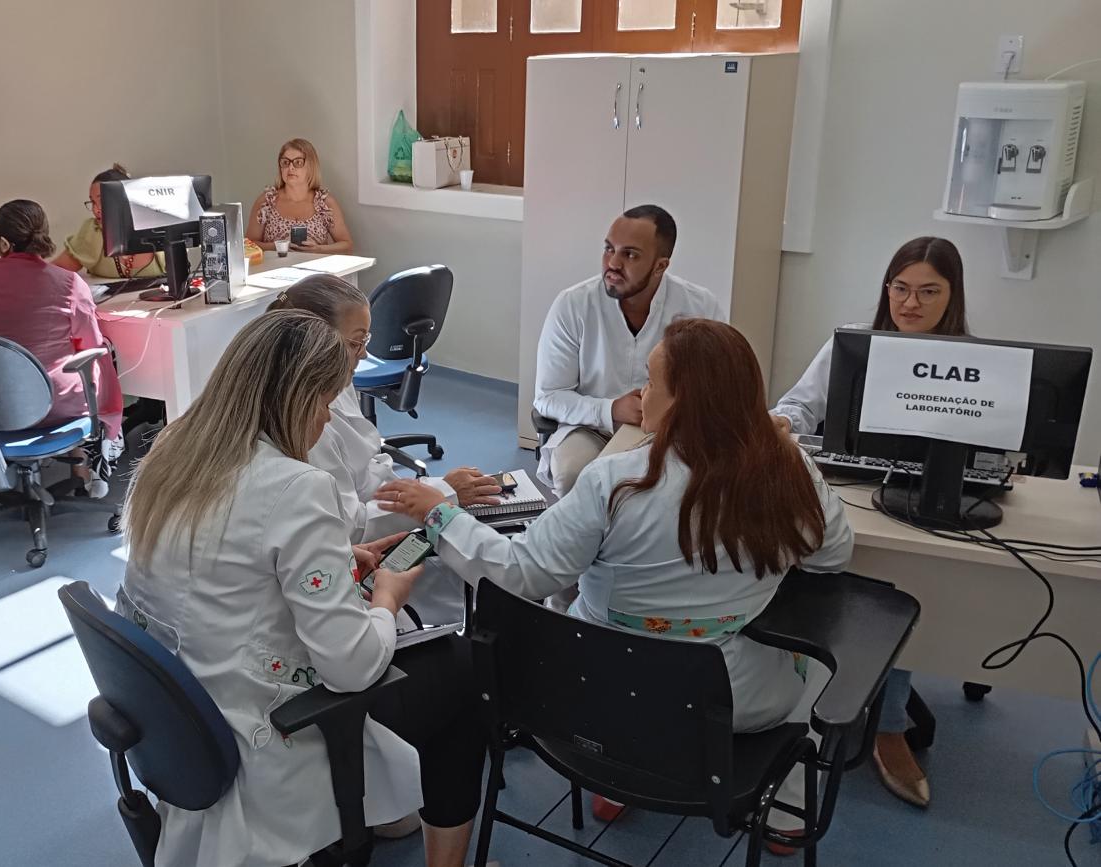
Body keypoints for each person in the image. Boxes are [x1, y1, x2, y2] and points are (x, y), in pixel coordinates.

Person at [378, 318, 853, 838]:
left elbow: (519, 573)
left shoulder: (616, 479)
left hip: (590, 692)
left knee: (573, 607)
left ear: (685, 400)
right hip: (726, 700)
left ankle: (618, 771)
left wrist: (440, 514)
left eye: (651, 382)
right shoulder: (788, 471)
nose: (641, 394)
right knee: (816, 663)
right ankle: (786, 811)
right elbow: (832, 557)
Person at [117, 310, 485, 867]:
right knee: (462, 670)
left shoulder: (175, 450)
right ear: (295, 399)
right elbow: (352, 668)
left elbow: (218, 570)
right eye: (323, 403)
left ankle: (384, 802)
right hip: (263, 734)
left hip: (181, 717)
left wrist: (334, 560)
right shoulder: (296, 487)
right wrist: (388, 596)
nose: (325, 420)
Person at [771, 235, 970, 809]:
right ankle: (797, 696)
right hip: (847, 493)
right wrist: (783, 423)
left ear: (952, 296)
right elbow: (797, 405)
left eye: (928, 291)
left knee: (907, 588)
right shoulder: (852, 344)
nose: (910, 303)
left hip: (923, 501)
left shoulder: (971, 361)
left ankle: (888, 726)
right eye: (900, 289)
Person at [268, 275, 502, 626]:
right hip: (360, 552)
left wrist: (429, 493)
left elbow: (371, 465)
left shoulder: (336, 383)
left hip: (376, 528)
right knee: (474, 577)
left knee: (480, 544)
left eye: (366, 339)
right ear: (314, 343)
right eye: (356, 342)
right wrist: (441, 495)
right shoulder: (307, 425)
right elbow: (351, 527)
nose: (364, 354)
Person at [534, 204, 725, 495]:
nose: (612, 263)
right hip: (590, 427)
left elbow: (717, 391)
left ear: (660, 266)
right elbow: (548, 396)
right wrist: (610, 409)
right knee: (574, 474)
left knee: (655, 487)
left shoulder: (700, 308)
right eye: (609, 249)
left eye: (630, 255)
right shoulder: (573, 305)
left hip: (669, 433)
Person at [0, 200, 124, 497]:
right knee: (98, 353)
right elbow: (90, 341)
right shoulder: (69, 283)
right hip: (58, 406)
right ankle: (86, 464)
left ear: (2, 242)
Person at [51, 164, 167, 280]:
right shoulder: (93, 232)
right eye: (93, 202)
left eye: (102, 201)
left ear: (125, 199)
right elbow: (53, 272)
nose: (95, 210)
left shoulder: (155, 228)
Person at [246, 138, 354, 255]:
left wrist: (319, 249)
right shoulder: (267, 202)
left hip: (315, 266)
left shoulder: (324, 203)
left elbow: (347, 246)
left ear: (311, 167)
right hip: (275, 266)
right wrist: (278, 246)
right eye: (285, 162)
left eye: (298, 162)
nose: (290, 168)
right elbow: (248, 245)